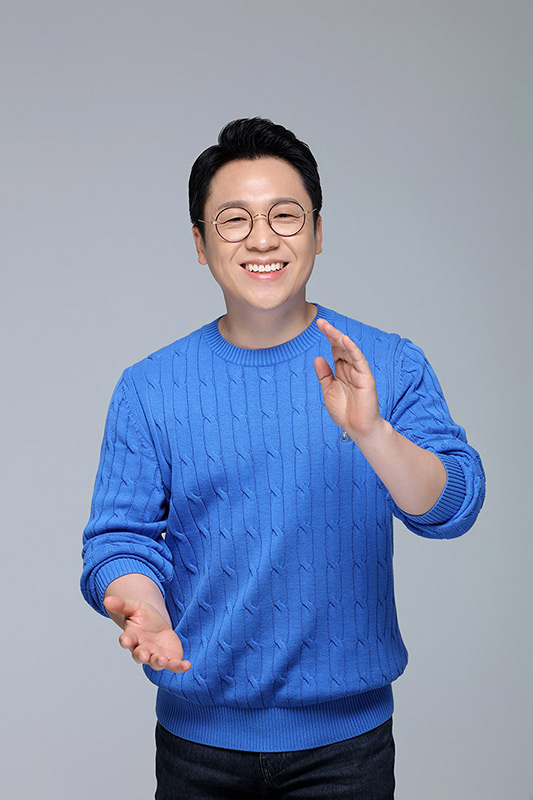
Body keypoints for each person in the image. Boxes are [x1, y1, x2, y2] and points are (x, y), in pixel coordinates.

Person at [81, 118, 485, 799]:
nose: (262, 239)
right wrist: (142, 607)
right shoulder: (149, 387)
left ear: (318, 232)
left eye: (285, 215)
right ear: (200, 243)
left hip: (346, 751)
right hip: (198, 747)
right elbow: (118, 540)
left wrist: (372, 433)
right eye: (234, 219)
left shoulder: (386, 362)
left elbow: (452, 506)